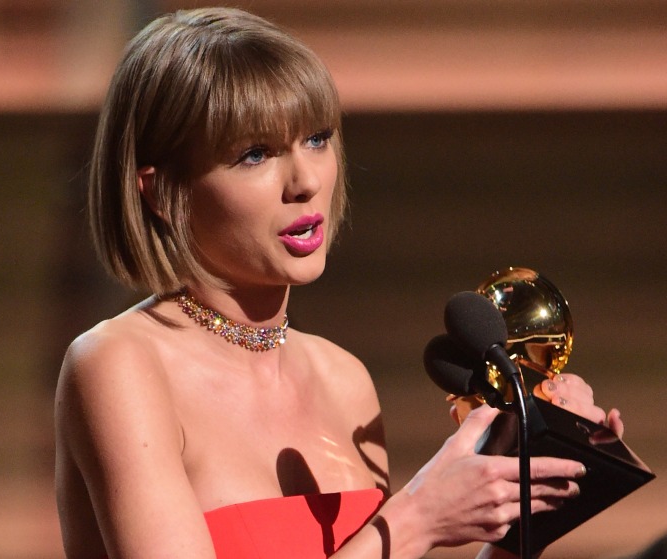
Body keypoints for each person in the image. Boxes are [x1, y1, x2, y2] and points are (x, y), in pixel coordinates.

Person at [54, 7, 624, 559]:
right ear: (159, 192)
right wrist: (418, 516)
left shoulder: (342, 378)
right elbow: (406, 533)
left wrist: (519, 511)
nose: (304, 181)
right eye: (255, 154)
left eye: (317, 139)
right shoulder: (118, 365)